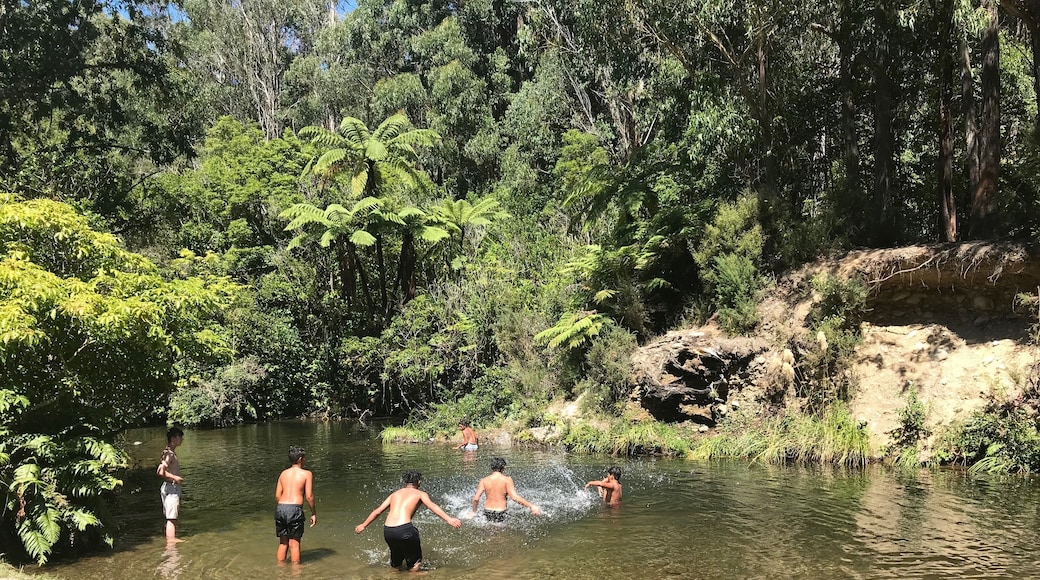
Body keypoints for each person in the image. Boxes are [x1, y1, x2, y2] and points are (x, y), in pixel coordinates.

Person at [355, 470, 462, 571]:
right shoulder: (420, 494)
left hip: (388, 531)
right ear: (419, 482)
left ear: (405, 482)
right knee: (415, 564)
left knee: (396, 562)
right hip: (404, 529)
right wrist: (449, 519)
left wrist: (363, 525)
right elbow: (432, 507)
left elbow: (378, 511)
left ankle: (393, 576)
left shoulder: (394, 494)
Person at [274, 445, 317, 564]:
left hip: (281, 508)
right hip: (294, 509)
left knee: (283, 543)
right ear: (300, 459)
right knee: (294, 545)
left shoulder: (283, 474)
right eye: (304, 458)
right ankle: (296, 574)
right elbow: (309, 496)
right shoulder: (307, 474)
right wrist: (313, 513)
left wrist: (284, 508)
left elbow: (277, 495)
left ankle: (280, 571)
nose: (305, 460)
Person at [470, 457, 542, 522]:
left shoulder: (484, 480)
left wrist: (473, 512)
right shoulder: (507, 480)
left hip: (487, 511)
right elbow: (514, 497)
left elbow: (476, 499)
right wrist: (531, 506)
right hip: (501, 512)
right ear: (503, 467)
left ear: (492, 467)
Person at [156, 427, 184, 541]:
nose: (182, 439)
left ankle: (170, 539)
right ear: (173, 438)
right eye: (180, 437)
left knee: (169, 516)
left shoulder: (168, 452)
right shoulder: (169, 454)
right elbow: (160, 471)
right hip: (171, 487)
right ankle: (171, 543)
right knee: (171, 518)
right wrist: (175, 478)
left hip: (167, 487)